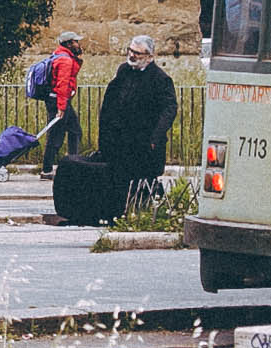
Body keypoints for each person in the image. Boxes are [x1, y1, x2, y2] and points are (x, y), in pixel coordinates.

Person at [78, 34, 180, 220]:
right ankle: (115, 214)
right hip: (118, 143)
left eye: (137, 53)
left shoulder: (160, 79)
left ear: (149, 56)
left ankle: (139, 215)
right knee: (117, 180)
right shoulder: (124, 71)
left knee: (140, 183)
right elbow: (112, 102)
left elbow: (169, 109)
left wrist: (154, 138)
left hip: (143, 144)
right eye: (130, 51)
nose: (132, 55)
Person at [37, 31, 86, 176]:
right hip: (59, 101)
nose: (79, 44)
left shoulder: (59, 55)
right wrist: (61, 107)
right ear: (69, 43)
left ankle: (71, 165)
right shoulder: (65, 60)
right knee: (56, 136)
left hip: (56, 100)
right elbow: (62, 85)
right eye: (76, 41)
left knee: (74, 131)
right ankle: (48, 170)